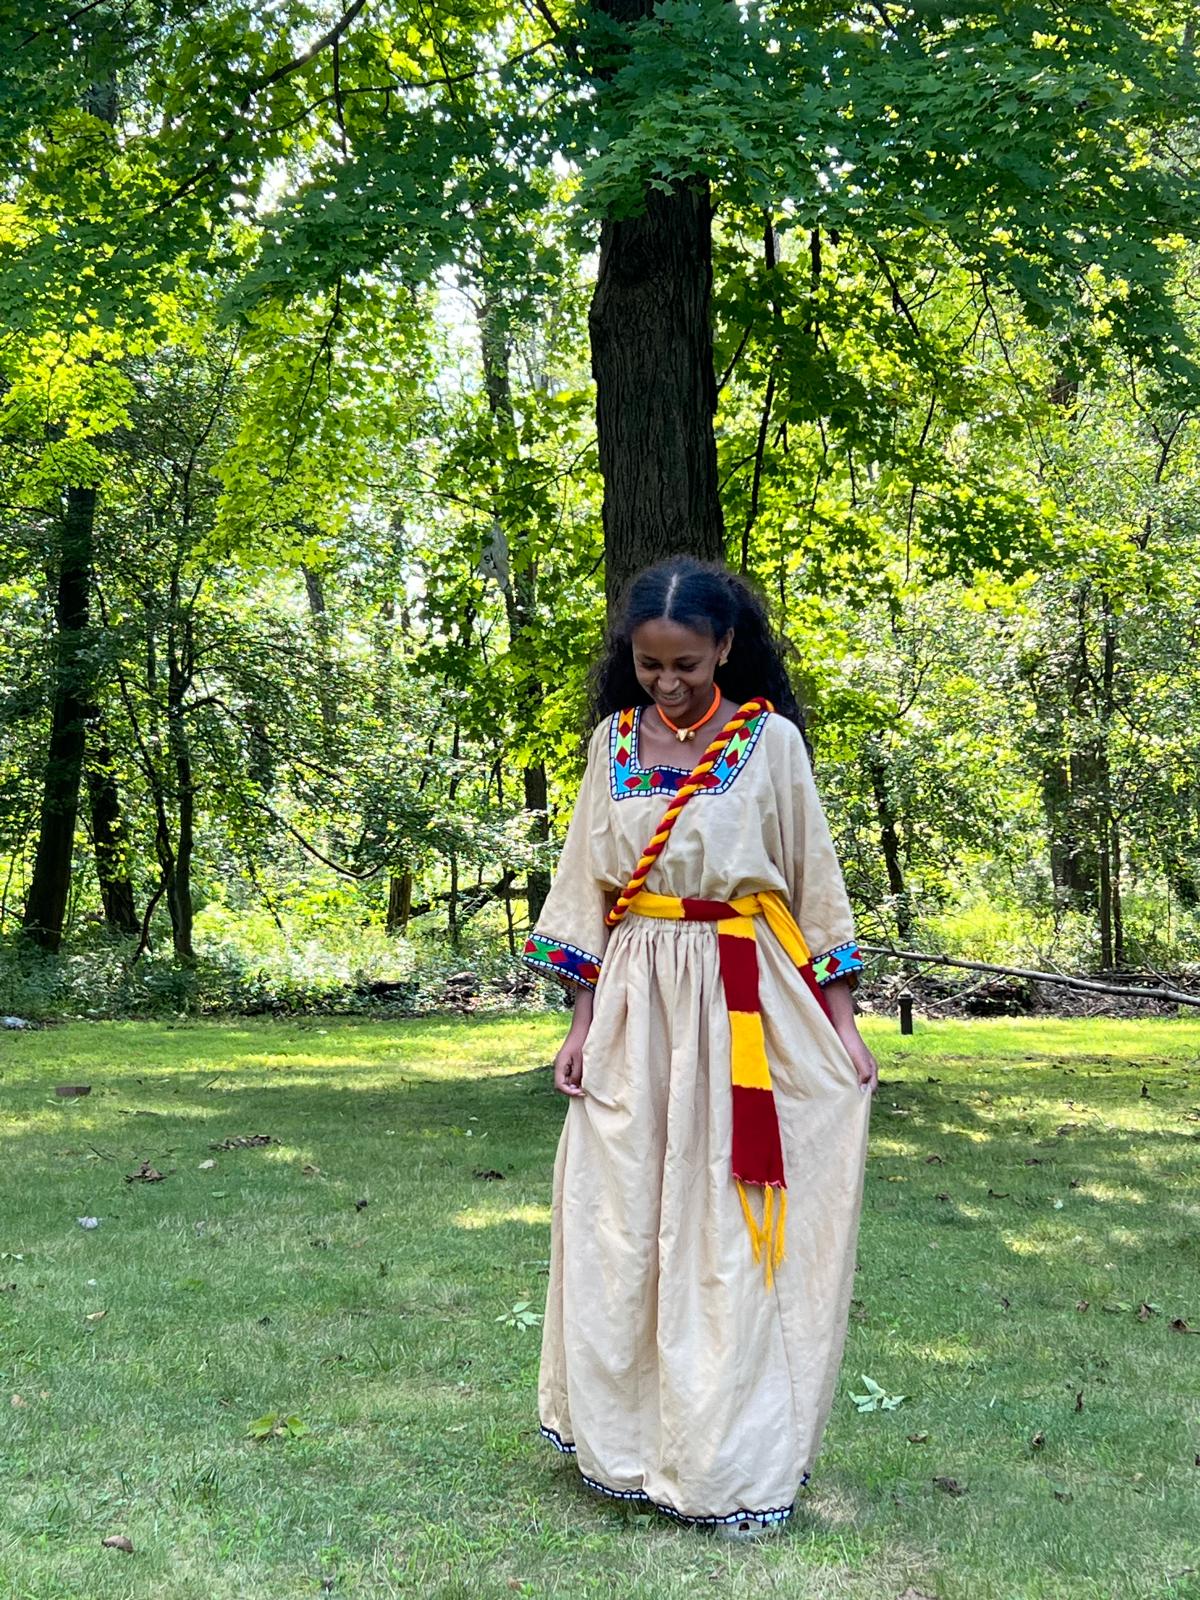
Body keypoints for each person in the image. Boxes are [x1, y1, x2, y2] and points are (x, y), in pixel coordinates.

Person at [522, 557, 877, 1538]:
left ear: (726, 646)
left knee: (731, 1231)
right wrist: (582, 1021)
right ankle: (622, 1447)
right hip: (637, 1004)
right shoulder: (611, 745)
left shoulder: (773, 746)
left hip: (745, 1003)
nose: (668, 683)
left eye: (685, 662)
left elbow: (814, 888)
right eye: (649, 666)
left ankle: (729, 1462)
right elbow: (586, 887)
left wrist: (842, 1023)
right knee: (620, 1219)